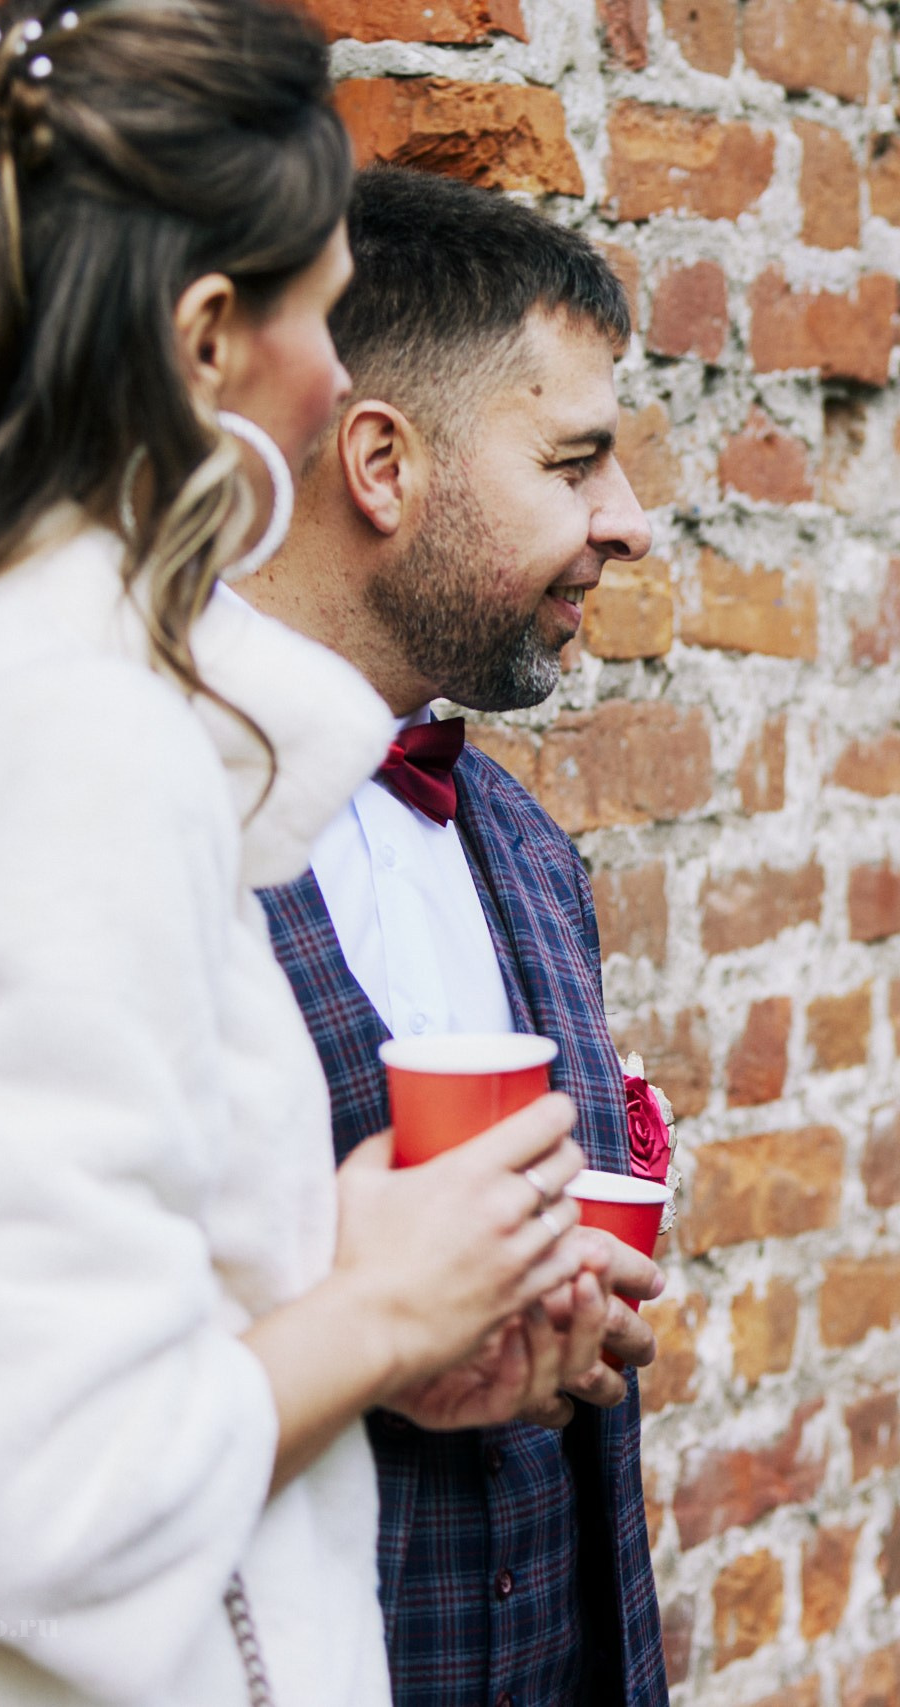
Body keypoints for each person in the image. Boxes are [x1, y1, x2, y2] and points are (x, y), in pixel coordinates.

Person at [0, 6, 616, 1702]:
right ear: (206, 342)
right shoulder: (71, 740)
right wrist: (385, 1312)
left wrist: (327, 1286)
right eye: (325, 314)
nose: (344, 382)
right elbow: (52, 1498)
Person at [239, 166, 668, 1707]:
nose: (625, 522)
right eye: (574, 461)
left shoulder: (529, 855)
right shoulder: (160, 837)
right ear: (382, 463)